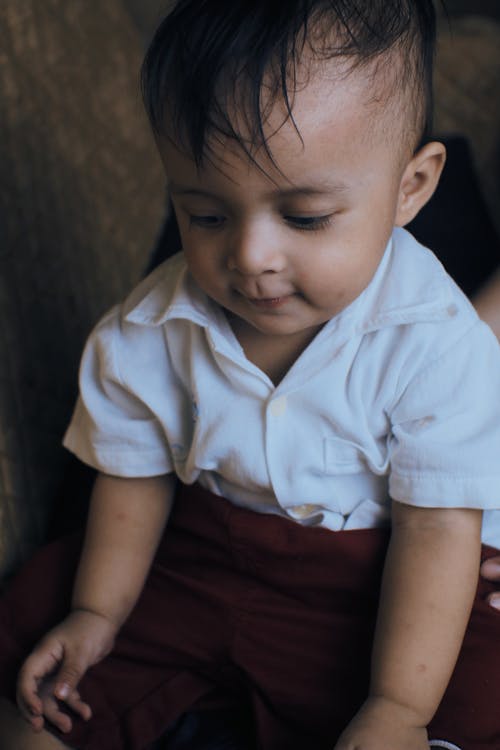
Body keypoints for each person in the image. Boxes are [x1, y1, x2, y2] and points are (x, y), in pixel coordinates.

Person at [1, 1, 500, 749]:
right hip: (204, 547)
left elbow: (435, 531)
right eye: (206, 215)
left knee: (475, 674)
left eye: (303, 218)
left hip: (376, 578)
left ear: (411, 187)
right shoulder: (149, 329)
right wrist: (98, 614)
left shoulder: (437, 346)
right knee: (40, 623)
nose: (251, 257)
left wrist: (399, 705)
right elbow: (135, 479)